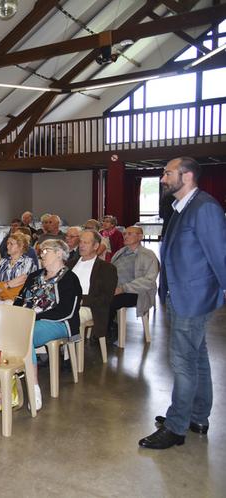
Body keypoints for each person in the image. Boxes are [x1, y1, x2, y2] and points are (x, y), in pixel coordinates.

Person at [139, 157, 226, 450]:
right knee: (198, 358)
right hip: (180, 296)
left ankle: (176, 427)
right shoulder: (180, 208)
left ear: (186, 175)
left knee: (183, 363)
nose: (163, 178)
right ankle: (198, 417)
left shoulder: (205, 208)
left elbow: (220, 256)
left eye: (167, 173)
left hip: (193, 298)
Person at [13, 239, 82, 410]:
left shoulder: (70, 279)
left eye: (45, 251)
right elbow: (20, 299)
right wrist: (15, 315)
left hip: (57, 322)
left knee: (23, 335)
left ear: (59, 253)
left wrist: (32, 317)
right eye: (40, 251)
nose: (41, 254)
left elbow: (67, 311)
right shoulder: (34, 276)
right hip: (28, 319)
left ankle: (33, 387)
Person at [108, 226, 159, 342]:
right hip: (115, 289)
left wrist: (123, 288)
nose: (125, 236)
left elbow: (149, 281)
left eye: (130, 234)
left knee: (108, 301)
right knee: (95, 297)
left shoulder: (147, 255)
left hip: (135, 292)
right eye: (125, 234)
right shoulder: (120, 253)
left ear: (140, 237)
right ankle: (103, 329)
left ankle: (106, 331)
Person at [68, 230, 117, 343]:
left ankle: (70, 354)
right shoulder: (69, 264)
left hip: (90, 307)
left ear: (96, 246)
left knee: (70, 316)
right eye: (80, 242)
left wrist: (80, 300)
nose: (81, 245)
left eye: (86, 242)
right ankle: (44, 352)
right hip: (67, 303)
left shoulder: (107, 268)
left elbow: (105, 298)